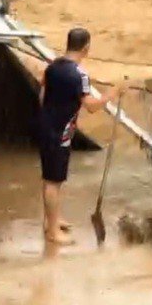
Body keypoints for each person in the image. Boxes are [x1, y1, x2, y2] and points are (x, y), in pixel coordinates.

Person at [38, 27, 120, 245]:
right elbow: (91, 106)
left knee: (50, 178)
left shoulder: (52, 66)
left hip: (46, 126)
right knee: (54, 181)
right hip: (60, 131)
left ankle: (51, 221)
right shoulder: (79, 74)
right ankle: (53, 231)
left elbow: (42, 93)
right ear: (86, 47)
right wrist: (111, 95)